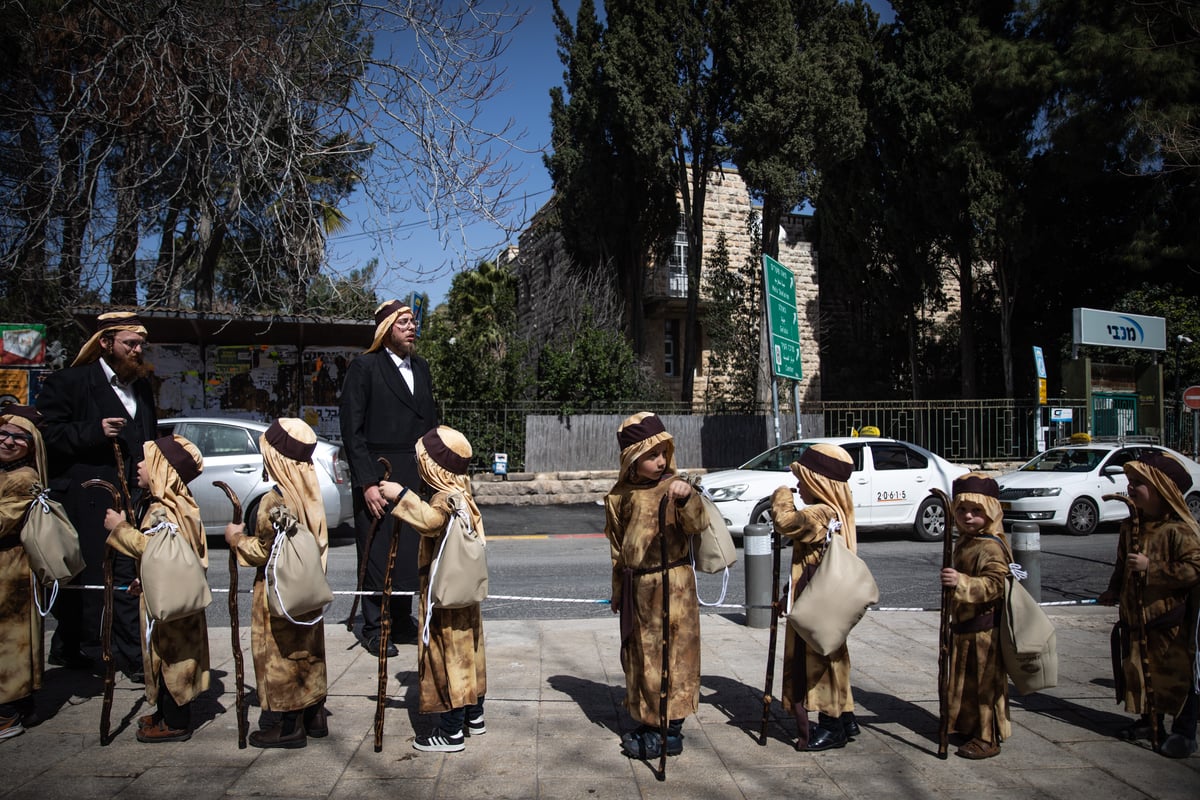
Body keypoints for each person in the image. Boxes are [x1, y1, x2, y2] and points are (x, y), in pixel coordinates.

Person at [36, 310, 156, 681]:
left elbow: (146, 436)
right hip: (85, 498)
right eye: (130, 344)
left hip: (129, 497)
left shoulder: (141, 385)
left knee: (126, 574)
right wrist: (93, 430)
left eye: (140, 344)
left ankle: (128, 655)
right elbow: (44, 436)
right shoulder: (69, 382)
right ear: (106, 344)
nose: (137, 350)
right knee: (84, 577)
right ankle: (71, 644)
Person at [601, 412, 706, 760]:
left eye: (663, 452)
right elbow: (618, 548)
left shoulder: (675, 486)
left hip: (673, 587)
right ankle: (649, 720)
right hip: (638, 588)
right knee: (641, 656)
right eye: (651, 455)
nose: (661, 461)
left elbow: (697, 524)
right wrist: (619, 589)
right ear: (632, 459)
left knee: (674, 655)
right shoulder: (620, 496)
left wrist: (687, 496)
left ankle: (670, 730)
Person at [379, 426, 487, 753]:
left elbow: (431, 521)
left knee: (447, 654)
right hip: (463, 592)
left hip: (443, 594)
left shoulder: (445, 498)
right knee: (469, 651)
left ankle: (451, 730)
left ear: (433, 466)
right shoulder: (463, 494)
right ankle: (473, 713)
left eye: (420, 460)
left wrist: (400, 495)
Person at [340, 300, 438, 657]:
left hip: (415, 474)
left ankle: (400, 620)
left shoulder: (422, 368)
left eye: (413, 322)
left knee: (410, 552)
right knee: (377, 552)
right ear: (386, 331)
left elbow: (430, 423)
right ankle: (373, 626)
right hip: (379, 473)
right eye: (404, 323)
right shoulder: (364, 367)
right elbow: (352, 430)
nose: (412, 327)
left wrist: (434, 473)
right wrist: (366, 482)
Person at [224, 418, 329, 749]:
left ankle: (287, 726)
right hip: (307, 590)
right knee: (308, 649)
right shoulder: (310, 493)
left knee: (280, 653)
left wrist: (237, 539)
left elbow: (264, 552)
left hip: (279, 592)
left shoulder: (276, 499)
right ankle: (314, 714)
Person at [102, 435, 208, 743]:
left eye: (145, 460)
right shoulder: (176, 503)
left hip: (173, 604)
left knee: (172, 657)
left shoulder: (165, 510)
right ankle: (164, 712)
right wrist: (144, 579)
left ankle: (175, 721)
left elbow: (153, 549)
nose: (137, 465)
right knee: (162, 654)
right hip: (173, 593)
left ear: (162, 468)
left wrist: (119, 529)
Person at [1098, 452, 1200, 759]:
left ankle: (1184, 730)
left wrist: (1151, 567)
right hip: (1136, 620)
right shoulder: (1131, 526)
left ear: (1162, 489)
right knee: (1140, 674)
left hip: (1169, 623)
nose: (1131, 488)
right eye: (1130, 482)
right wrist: (1113, 590)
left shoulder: (1179, 530)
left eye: (1139, 483)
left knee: (1174, 679)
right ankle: (1148, 720)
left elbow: (1194, 569)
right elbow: (1122, 564)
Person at [768, 443, 861, 751]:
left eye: (802, 479)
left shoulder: (821, 513)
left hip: (818, 604)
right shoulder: (833, 512)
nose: (797, 485)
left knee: (819, 662)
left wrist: (782, 496)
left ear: (818, 482)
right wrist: (788, 594)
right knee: (834, 657)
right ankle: (845, 716)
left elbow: (786, 523)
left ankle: (831, 725)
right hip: (823, 597)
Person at [938, 473, 1012, 759]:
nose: (968, 516)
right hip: (964, 626)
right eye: (962, 510)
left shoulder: (991, 546)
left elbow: (996, 584)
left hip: (984, 631)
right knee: (965, 680)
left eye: (976, 511)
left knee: (984, 685)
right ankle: (967, 725)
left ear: (991, 511)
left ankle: (987, 736)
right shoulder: (966, 542)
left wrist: (961, 583)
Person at [0, 405, 50, 740]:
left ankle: (9, 711)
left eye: (19, 438)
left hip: (12, 571)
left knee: (11, 641)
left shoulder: (24, 478)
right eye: (3, 434)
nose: (8, 442)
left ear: (32, 446)